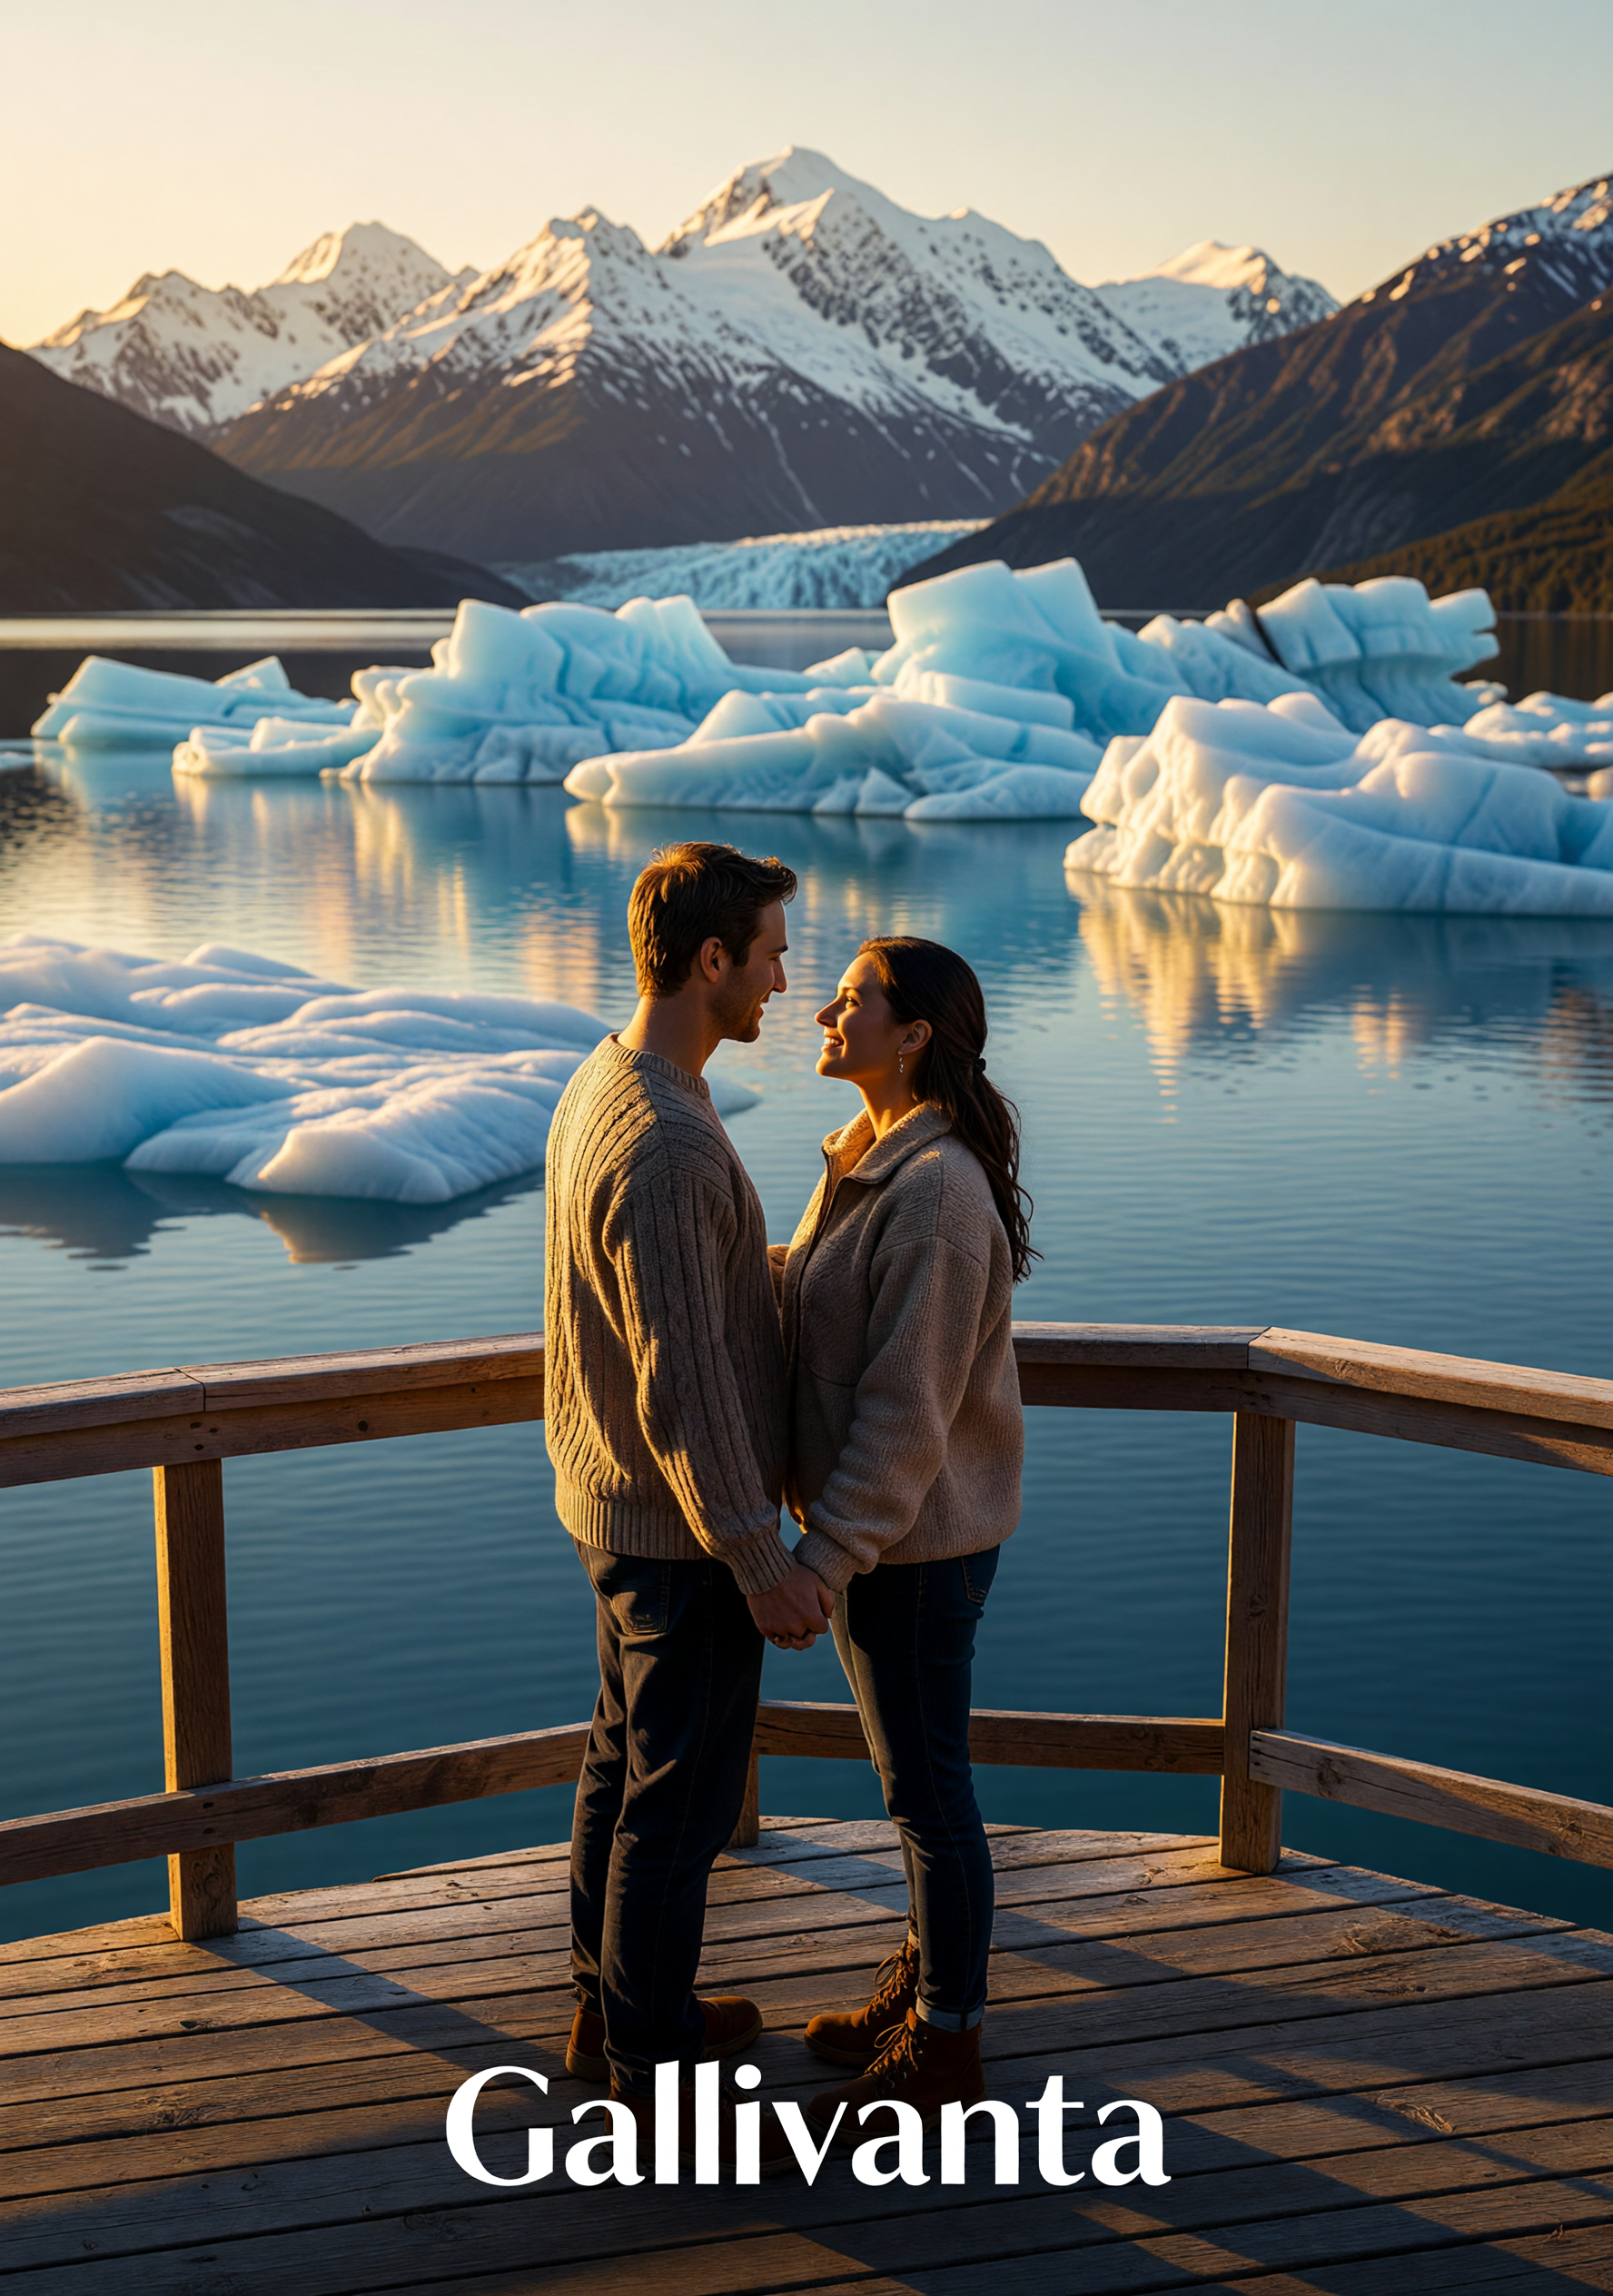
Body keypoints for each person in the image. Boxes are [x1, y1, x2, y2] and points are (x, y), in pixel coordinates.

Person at [544, 840, 830, 2170]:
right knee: (680, 1803)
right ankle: (653, 2085)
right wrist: (760, 1557)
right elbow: (686, 1387)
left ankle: (617, 2018)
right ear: (711, 959)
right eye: (771, 952)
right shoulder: (664, 1142)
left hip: (613, 1507)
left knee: (621, 1764)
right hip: (677, 1533)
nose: (786, 978)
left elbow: (669, 1317)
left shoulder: (610, 1078)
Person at [779, 936, 1032, 2139]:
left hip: (913, 1550)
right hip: (893, 1543)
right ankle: (929, 1986)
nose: (826, 1008)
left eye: (855, 997)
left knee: (931, 1798)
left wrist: (823, 1556)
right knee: (913, 1785)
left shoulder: (934, 1193)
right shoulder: (875, 1161)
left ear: (914, 1033)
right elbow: (828, 1308)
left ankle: (949, 2043)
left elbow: (907, 1405)